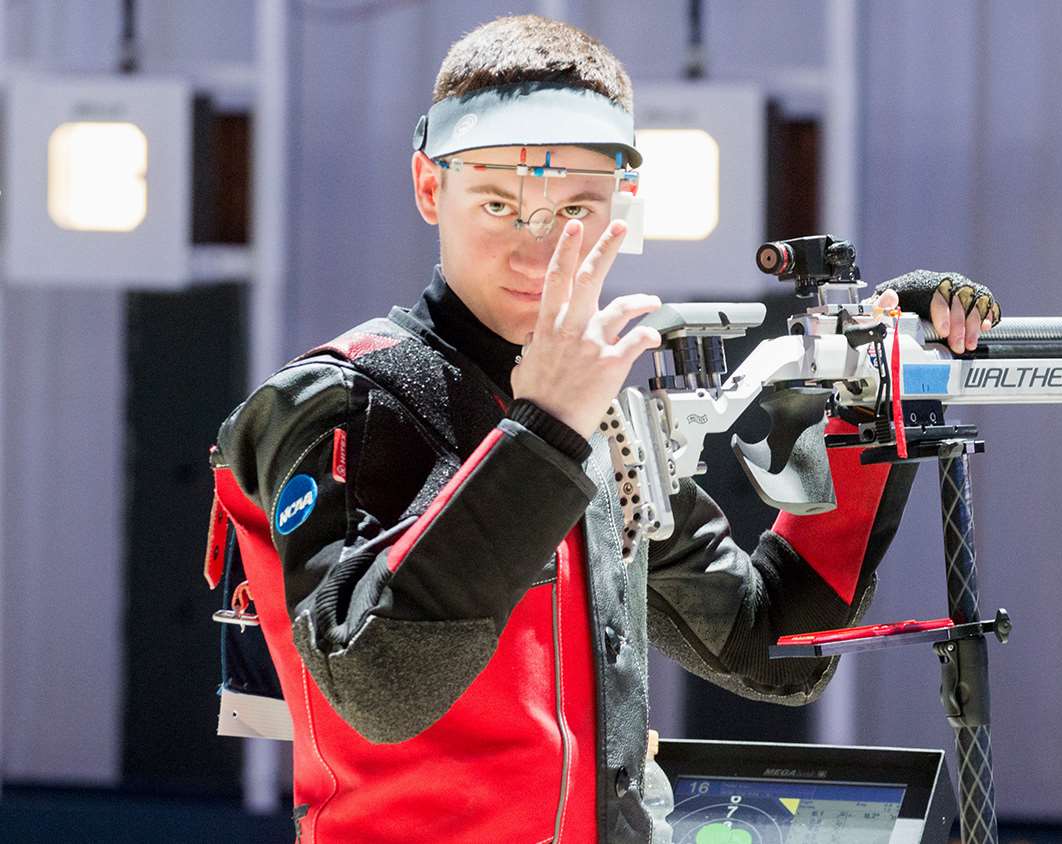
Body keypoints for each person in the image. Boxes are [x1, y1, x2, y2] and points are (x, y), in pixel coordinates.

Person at [207, 14, 999, 843]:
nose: (538, 251)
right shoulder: (334, 400)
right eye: (500, 203)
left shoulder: (599, 407)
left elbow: (774, 646)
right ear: (429, 185)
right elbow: (380, 690)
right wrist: (543, 427)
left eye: (576, 208)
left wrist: (882, 393)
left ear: (626, 204)